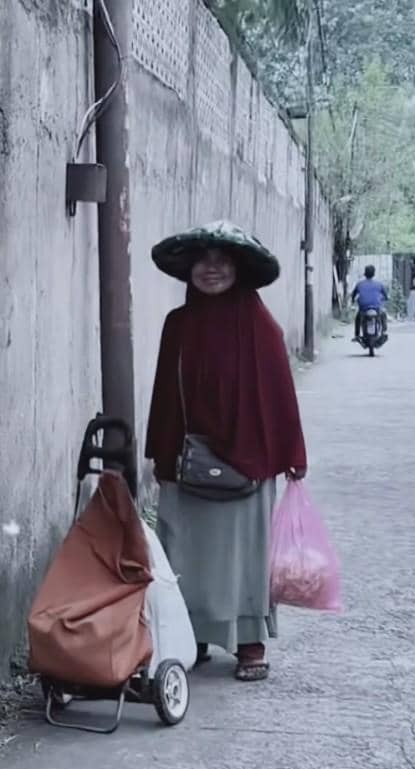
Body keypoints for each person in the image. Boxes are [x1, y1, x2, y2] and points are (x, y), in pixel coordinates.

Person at [145, 222, 307, 683]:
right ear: (189, 270)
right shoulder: (178, 325)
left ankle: (249, 644)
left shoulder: (260, 326)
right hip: (187, 459)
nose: (211, 269)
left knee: (244, 555)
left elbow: (280, 395)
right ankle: (189, 635)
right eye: (203, 260)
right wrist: (162, 453)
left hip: (248, 462)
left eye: (222, 261)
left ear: (238, 269)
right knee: (184, 552)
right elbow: (163, 395)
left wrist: (291, 453)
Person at [351, 265, 388, 341]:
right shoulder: (379, 284)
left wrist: (352, 301)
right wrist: (385, 299)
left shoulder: (359, 284)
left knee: (358, 318)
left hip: (363, 308)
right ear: (374, 274)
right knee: (383, 314)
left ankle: (357, 335)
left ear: (365, 273)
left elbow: (353, 294)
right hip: (376, 308)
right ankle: (383, 331)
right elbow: (385, 295)